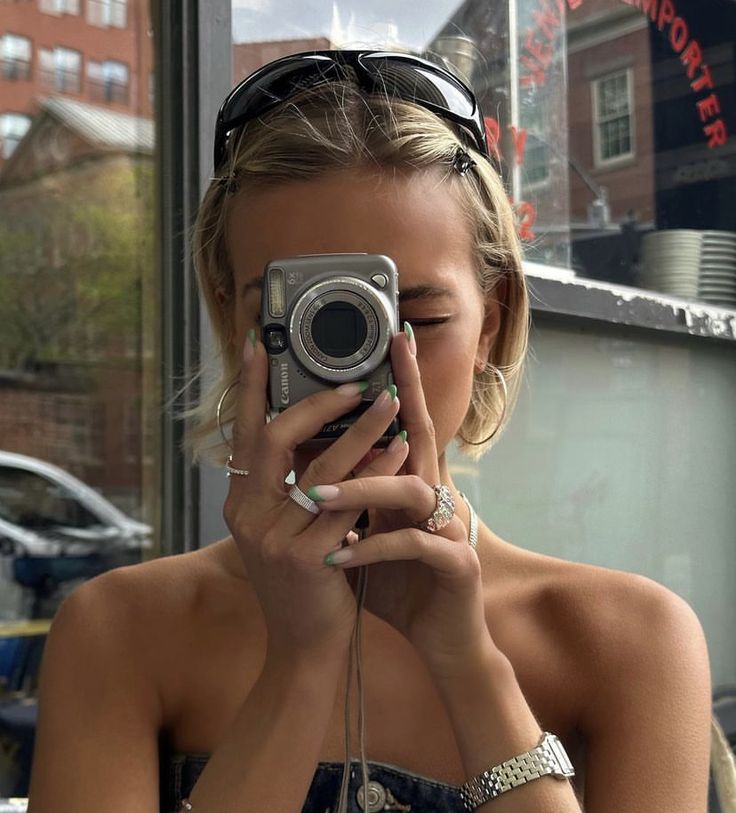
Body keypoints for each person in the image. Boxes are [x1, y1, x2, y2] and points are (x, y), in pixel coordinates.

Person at [27, 50, 712, 813]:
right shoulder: (120, 632)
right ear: (234, 321)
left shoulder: (629, 642)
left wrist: (469, 663)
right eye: (306, 319)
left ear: (496, 319)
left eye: (412, 317)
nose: (361, 363)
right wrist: (299, 664)